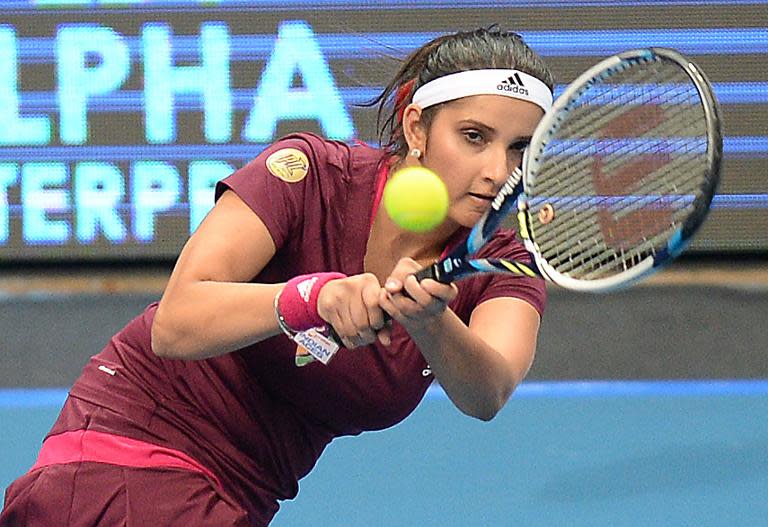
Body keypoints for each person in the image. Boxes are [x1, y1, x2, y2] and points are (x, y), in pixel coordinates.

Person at [1, 26, 554, 526]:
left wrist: (432, 321)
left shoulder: (501, 260)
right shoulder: (309, 174)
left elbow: (488, 390)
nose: (496, 172)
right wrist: (308, 297)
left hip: (237, 497)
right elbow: (175, 323)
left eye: (519, 149)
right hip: (130, 450)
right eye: (474, 137)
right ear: (417, 126)